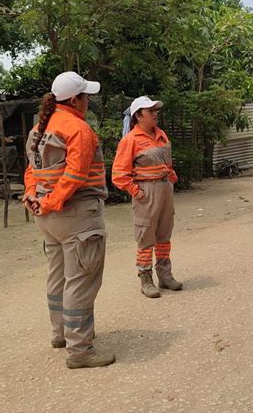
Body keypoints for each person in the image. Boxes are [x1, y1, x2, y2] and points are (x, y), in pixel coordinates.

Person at [22, 71, 115, 370]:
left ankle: (60, 333)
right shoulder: (78, 128)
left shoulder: (39, 128)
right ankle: (80, 351)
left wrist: (34, 198)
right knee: (81, 280)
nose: (88, 101)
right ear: (75, 100)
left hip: (47, 218)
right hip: (75, 215)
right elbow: (75, 175)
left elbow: (31, 172)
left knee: (58, 276)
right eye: (86, 96)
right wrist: (52, 201)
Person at [112, 96, 182, 299]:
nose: (155, 113)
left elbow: (166, 161)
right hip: (146, 192)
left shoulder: (161, 135)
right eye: (150, 110)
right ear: (138, 116)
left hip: (164, 189)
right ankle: (145, 279)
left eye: (155, 110)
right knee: (145, 237)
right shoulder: (130, 140)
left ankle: (165, 276)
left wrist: (171, 175)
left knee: (164, 235)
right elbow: (118, 175)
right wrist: (136, 191)